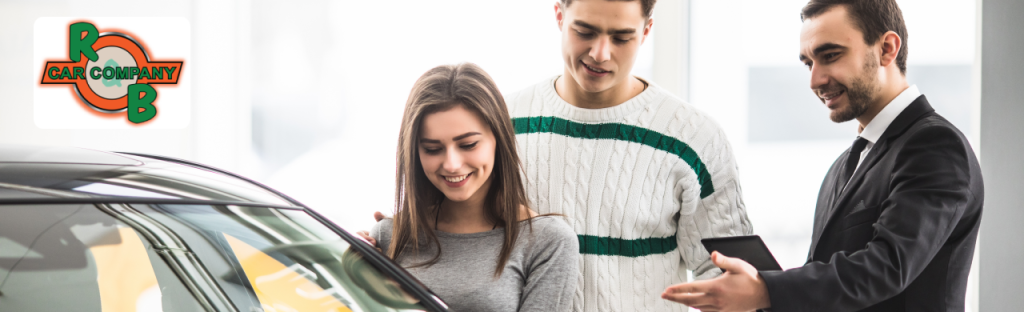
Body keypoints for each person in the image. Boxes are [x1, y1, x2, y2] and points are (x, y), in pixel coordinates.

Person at [661, 0, 984, 311]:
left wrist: (766, 290)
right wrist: (760, 288)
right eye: (808, 63)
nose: (815, 80)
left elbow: (887, 266)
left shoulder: (935, 145)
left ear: (887, 48)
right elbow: (830, 282)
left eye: (830, 55)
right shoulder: (845, 165)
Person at [504, 0, 752, 311]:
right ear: (559, 16)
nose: (600, 53)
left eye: (621, 38)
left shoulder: (695, 137)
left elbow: (733, 279)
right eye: (585, 31)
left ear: (646, 30)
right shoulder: (502, 124)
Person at [366, 63, 579, 312]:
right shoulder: (388, 236)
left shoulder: (547, 242)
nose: (452, 164)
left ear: (498, 139)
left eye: (468, 144)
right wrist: (344, 268)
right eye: (432, 149)